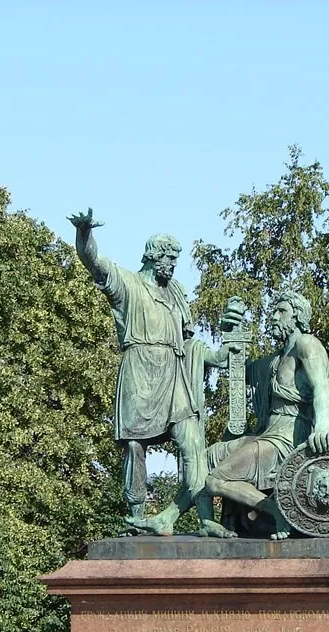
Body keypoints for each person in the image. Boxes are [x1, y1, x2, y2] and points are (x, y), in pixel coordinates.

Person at [69, 209, 228, 537]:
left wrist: (215, 357)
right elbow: (93, 261)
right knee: (135, 446)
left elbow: (190, 343)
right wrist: (84, 233)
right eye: (169, 258)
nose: (173, 265)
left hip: (172, 375)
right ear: (154, 257)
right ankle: (136, 517)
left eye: (175, 259)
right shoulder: (127, 283)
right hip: (140, 372)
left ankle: (205, 517)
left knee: (193, 444)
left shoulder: (176, 292)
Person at [203, 289, 329, 539]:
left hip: (287, 438)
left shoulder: (306, 345)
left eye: (281, 311)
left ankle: (276, 510)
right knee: (209, 455)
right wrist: (232, 333)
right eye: (274, 311)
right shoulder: (275, 359)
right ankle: (213, 524)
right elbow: (239, 370)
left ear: (296, 316)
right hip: (267, 434)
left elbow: (322, 386)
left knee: (214, 481)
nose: (273, 317)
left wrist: (321, 428)